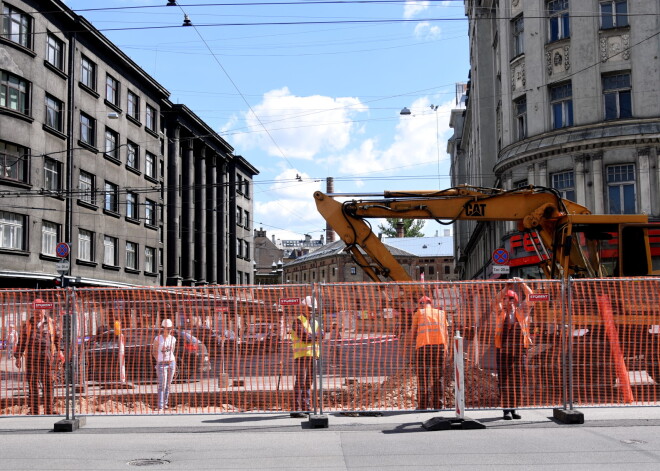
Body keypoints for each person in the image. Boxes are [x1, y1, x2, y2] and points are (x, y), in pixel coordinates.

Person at [494, 278, 533, 420]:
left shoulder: (522, 311)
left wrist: (522, 284)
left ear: (515, 300)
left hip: (518, 350)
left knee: (517, 379)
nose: (508, 301)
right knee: (504, 379)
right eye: (506, 299)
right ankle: (506, 410)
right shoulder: (500, 312)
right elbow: (495, 300)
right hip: (503, 350)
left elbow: (531, 297)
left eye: (511, 298)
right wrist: (506, 288)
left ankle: (514, 408)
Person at [13, 299, 62, 415]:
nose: (38, 312)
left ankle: (48, 410)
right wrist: (18, 357)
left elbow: (58, 339)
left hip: (47, 358)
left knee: (48, 384)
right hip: (31, 359)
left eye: (40, 309)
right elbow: (22, 341)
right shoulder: (27, 324)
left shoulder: (51, 323)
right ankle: (34, 411)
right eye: (36, 309)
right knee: (33, 384)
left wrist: (61, 352)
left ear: (44, 310)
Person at [409, 295, 449, 410]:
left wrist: (409, 343)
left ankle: (422, 405)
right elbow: (446, 333)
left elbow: (413, 332)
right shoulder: (441, 314)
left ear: (421, 304)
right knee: (438, 377)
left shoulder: (419, 313)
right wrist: (447, 348)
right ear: (431, 303)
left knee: (423, 377)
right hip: (439, 348)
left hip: (423, 347)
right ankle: (438, 405)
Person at [290, 295, 324, 418]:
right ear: (303, 308)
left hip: (313, 356)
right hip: (302, 356)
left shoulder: (315, 322)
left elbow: (322, 335)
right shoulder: (298, 321)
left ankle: (306, 406)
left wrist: (313, 336)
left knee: (308, 382)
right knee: (300, 382)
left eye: (312, 309)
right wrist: (315, 336)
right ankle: (296, 409)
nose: (311, 311)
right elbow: (304, 337)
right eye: (309, 308)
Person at [152, 319, 176, 412]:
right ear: (163, 328)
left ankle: (165, 403)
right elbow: (154, 351)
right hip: (162, 364)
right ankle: (160, 405)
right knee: (162, 384)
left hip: (171, 363)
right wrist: (159, 360)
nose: (169, 330)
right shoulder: (158, 339)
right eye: (167, 328)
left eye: (170, 328)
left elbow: (172, 350)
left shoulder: (173, 339)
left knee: (168, 385)